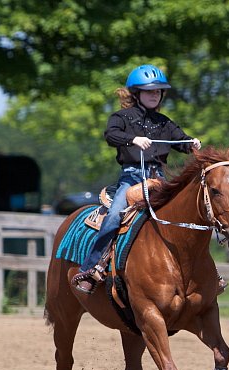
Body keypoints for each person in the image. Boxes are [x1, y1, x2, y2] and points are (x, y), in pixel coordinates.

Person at [71, 64, 201, 294]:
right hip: (132, 179)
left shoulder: (165, 122)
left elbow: (180, 139)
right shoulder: (121, 117)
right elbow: (111, 135)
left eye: (158, 91)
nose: (155, 94)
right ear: (136, 93)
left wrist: (192, 143)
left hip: (160, 181)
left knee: (191, 211)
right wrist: (133, 139)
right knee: (113, 217)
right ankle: (91, 269)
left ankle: (206, 273)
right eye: (149, 90)